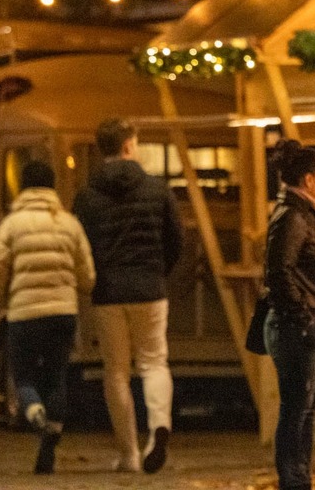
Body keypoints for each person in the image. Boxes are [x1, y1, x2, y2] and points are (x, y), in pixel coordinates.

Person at [73, 118, 182, 474]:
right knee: (154, 362)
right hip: (150, 287)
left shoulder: (87, 195)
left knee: (116, 372)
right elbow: (175, 239)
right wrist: (157, 272)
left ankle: (129, 454)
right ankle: (160, 425)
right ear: (129, 146)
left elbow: (82, 245)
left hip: (107, 292)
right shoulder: (157, 189)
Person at [0, 161, 95, 474]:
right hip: (63, 313)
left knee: (23, 377)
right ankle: (52, 436)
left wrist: (2, 297)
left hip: (23, 313)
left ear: (23, 186)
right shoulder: (69, 223)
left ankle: (33, 410)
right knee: (56, 377)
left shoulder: (12, 224)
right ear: (52, 187)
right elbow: (87, 277)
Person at [263, 139, 315, 490]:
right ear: (308, 180)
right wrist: (303, 312)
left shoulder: (302, 212)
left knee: (306, 407)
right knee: (298, 407)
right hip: (299, 325)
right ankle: (293, 480)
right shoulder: (293, 216)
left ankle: (299, 478)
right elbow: (279, 270)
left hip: (309, 319)